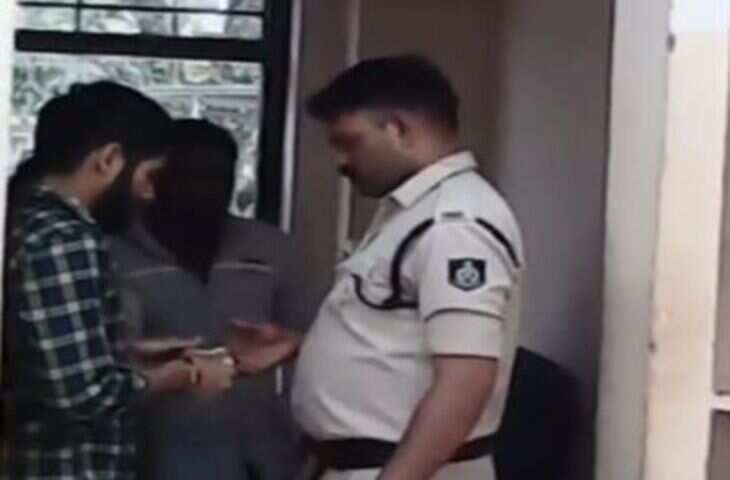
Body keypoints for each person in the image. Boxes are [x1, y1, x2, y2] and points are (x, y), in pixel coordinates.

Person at [226, 55, 526, 480]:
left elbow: (466, 380)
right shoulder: (410, 212)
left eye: (350, 142)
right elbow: (401, 338)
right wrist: (301, 346)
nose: (341, 161)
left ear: (398, 129)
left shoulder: (455, 224)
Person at [1, 83, 234, 480]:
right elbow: (82, 395)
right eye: (150, 175)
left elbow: (35, 365)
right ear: (108, 159)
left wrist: (123, 354)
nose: (150, 194)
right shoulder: (64, 240)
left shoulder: (26, 222)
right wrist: (186, 373)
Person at [111, 119, 309, 480]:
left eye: (220, 178)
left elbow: (312, 338)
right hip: (154, 454)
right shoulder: (114, 256)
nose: (208, 191)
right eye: (192, 176)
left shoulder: (272, 249)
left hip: (262, 455)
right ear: (156, 180)